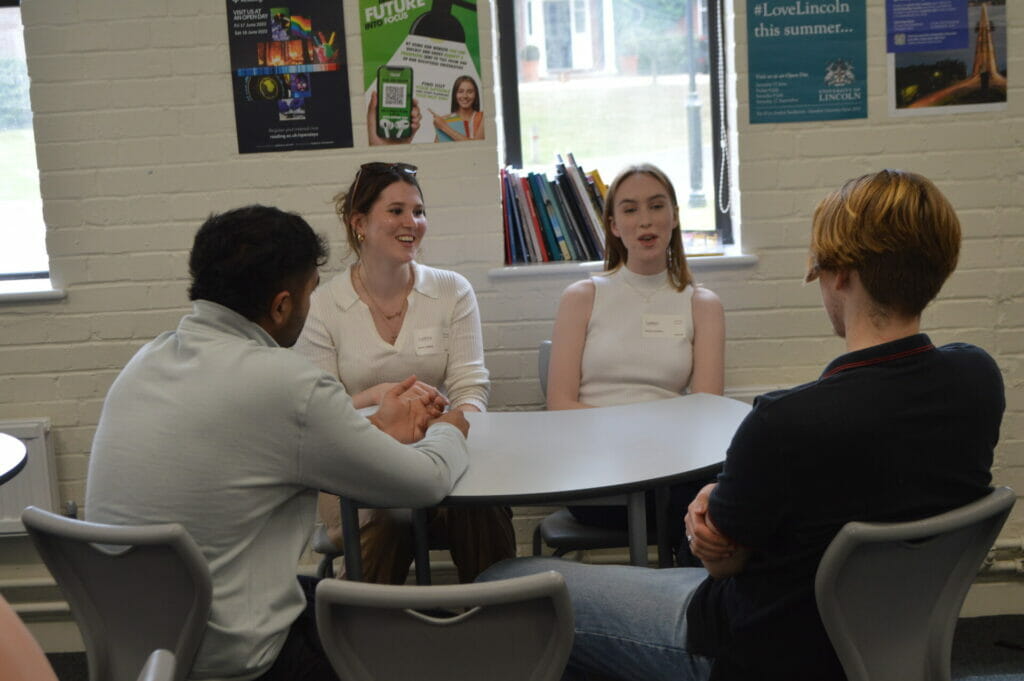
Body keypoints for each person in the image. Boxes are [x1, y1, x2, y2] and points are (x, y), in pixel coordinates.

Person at [480, 169, 1004, 681]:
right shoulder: (979, 379)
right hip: (892, 636)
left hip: (747, 645)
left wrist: (714, 504)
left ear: (839, 274)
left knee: (506, 583)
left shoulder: (785, 422)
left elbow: (721, 563)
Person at [86, 205, 471, 681]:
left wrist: (374, 433)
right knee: (394, 643)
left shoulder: (146, 361)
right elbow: (427, 482)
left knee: (336, 601)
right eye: (310, 292)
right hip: (234, 658)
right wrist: (451, 428)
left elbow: (253, 458)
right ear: (282, 305)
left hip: (140, 648)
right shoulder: (286, 383)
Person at [294, 162, 515, 584]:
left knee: (481, 508)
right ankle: (363, 634)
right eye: (396, 211)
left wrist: (453, 423)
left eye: (418, 211)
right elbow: (318, 412)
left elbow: (471, 387)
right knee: (392, 518)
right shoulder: (322, 305)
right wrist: (377, 397)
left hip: (441, 453)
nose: (411, 223)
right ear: (359, 223)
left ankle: (499, 621)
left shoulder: (452, 290)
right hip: (359, 464)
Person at [545, 163, 725, 563]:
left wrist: (652, 446)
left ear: (675, 217)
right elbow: (559, 404)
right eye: (629, 210)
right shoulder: (582, 296)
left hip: (671, 472)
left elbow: (708, 411)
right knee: (697, 507)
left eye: (656, 206)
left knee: (714, 500)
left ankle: (690, 616)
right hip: (596, 475)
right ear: (612, 225)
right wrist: (633, 436)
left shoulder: (702, 305)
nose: (645, 220)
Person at [430, 75, 485, 141]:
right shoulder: (445, 120)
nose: (465, 96)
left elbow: (477, 146)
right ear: (455, 95)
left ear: (475, 95)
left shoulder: (484, 118)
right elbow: (438, 149)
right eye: (460, 91)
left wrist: (444, 127)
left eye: (470, 92)